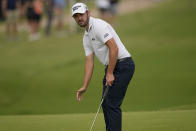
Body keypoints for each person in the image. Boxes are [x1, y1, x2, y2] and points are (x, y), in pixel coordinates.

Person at [72, 3, 135, 131]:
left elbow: (114, 47)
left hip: (123, 65)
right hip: (112, 67)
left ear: (88, 13)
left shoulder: (99, 26)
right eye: (76, 16)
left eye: (81, 14)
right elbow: (89, 61)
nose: (79, 18)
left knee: (112, 104)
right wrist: (85, 86)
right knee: (106, 104)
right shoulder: (86, 37)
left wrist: (110, 73)